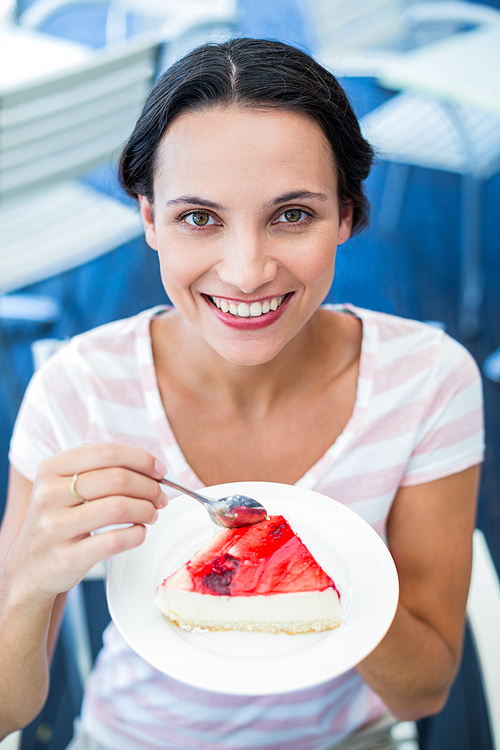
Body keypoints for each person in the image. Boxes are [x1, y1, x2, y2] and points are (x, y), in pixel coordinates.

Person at [0, 38, 484, 750]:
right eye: (200, 217)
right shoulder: (80, 392)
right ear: (148, 219)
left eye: (292, 214)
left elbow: (425, 690)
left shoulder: (428, 382)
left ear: (348, 216)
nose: (247, 271)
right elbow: (8, 714)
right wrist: (29, 585)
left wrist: (314, 566)